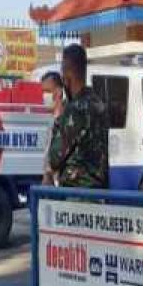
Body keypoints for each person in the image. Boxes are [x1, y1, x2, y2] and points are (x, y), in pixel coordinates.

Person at [50, 44, 108, 189]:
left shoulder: (75, 109)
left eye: (63, 73)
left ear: (68, 74)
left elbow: (54, 158)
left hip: (77, 197)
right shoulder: (99, 104)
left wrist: (58, 117)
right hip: (99, 193)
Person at [40, 71, 65, 186]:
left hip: (63, 181)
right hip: (50, 180)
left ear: (59, 92)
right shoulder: (48, 121)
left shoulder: (67, 119)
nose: (44, 96)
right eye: (42, 92)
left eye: (47, 92)